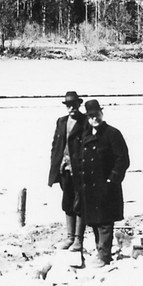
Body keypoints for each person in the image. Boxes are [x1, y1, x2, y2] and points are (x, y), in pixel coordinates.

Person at [71, 99, 130, 267]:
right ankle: (100, 252)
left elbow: (122, 160)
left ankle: (104, 257)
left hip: (106, 186)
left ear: (101, 113)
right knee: (95, 221)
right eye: (90, 116)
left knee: (105, 222)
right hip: (89, 188)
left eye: (96, 115)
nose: (94, 119)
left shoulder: (112, 134)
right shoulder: (87, 135)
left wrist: (112, 180)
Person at [48, 90, 88, 252]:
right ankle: (70, 237)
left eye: (74, 105)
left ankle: (78, 240)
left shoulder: (85, 121)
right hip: (64, 169)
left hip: (79, 170)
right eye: (68, 105)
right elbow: (55, 145)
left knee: (80, 204)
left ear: (79, 105)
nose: (71, 108)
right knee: (67, 202)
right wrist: (55, 165)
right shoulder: (61, 122)